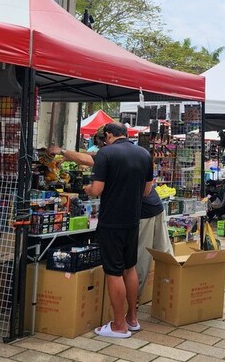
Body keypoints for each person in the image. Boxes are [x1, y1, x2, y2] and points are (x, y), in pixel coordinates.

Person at [84, 122, 153, 338]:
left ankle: (119, 326)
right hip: (132, 220)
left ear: (108, 135)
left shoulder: (105, 154)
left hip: (111, 221)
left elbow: (97, 189)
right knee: (129, 268)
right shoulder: (144, 154)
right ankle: (132, 319)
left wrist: (87, 189)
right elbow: (147, 190)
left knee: (113, 272)